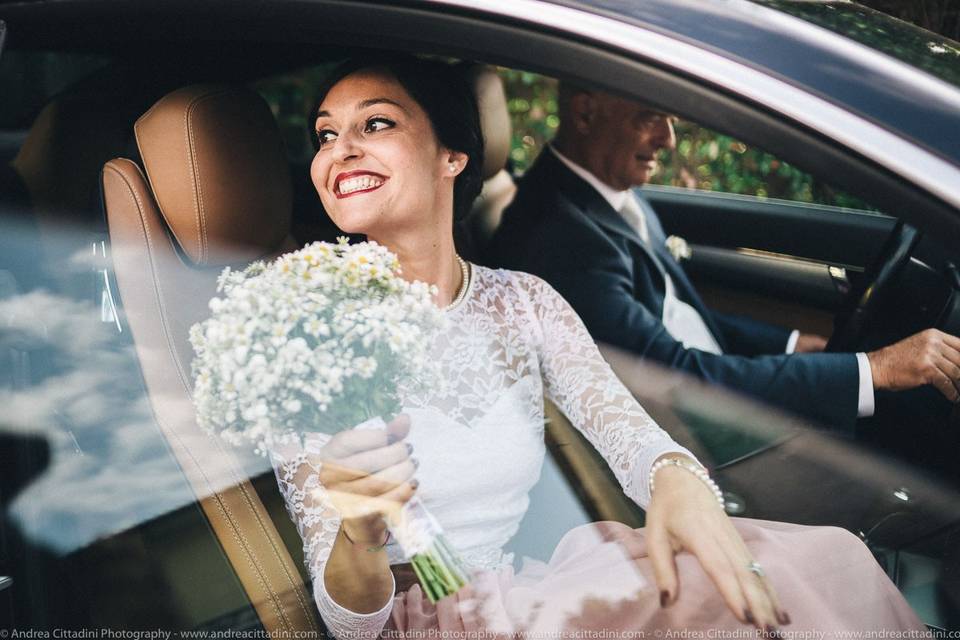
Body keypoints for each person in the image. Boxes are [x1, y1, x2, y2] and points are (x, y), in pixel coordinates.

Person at [267, 57, 925, 639]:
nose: (340, 149)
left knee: (827, 560)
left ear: (453, 155)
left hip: (523, 592)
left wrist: (677, 479)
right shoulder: (303, 337)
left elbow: (632, 436)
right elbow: (349, 625)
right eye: (326, 134)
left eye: (374, 124)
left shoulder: (523, 300)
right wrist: (359, 533)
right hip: (429, 626)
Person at [485, 84, 960, 433]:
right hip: (697, 438)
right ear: (585, 112)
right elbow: (676, 378)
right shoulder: (558, 237)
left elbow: (686, 317)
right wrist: (870, 370)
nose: (669, 140)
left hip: (713, 403)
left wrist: (795, 344)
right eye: (651, 116)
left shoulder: (605, 196)